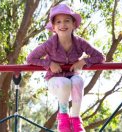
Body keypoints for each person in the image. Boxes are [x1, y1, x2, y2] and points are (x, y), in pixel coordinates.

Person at [26, 4, 105, 132]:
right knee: (64, 82)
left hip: (73, 79)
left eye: (66, 21)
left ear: (74, 24)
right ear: (54, 28)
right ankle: (63, 118)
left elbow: (100, 57)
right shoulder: (50, 44)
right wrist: (49, 64)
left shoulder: (79, 42)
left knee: (78, 80)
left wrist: (83, 61)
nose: (63, 24)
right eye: (58, 22)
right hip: (55, 82)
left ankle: (76, 119)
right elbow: (30, 58)